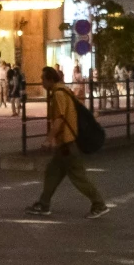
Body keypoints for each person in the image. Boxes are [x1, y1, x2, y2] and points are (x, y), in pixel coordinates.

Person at [27, 65, 111, 218]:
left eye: (43, 79)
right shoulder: (64, 91)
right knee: (52, 172)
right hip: (65, 144)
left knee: (78, 176)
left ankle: (99, 204)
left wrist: (48, 139)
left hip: (67, 144)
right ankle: (44, 203)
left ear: (50, 80)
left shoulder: (59, 94)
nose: (41, 82)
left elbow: (60, 119)